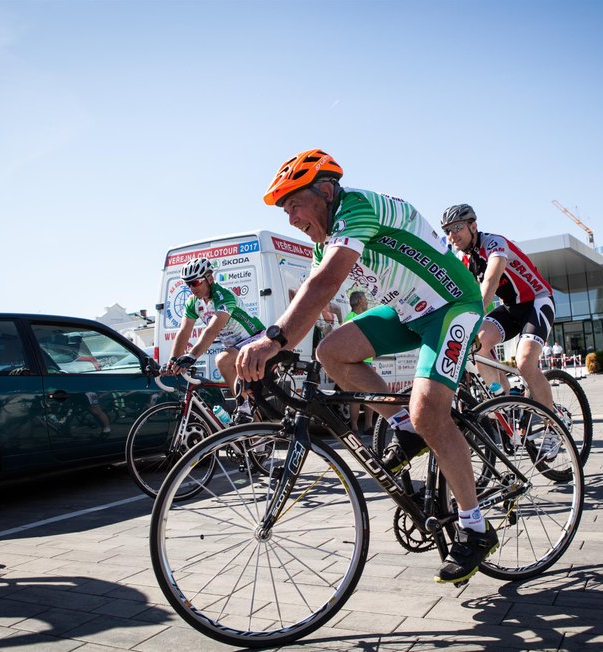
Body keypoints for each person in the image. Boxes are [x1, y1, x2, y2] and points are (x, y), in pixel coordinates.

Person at [237, 148, 497, 585]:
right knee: (332, 352)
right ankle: (406, 428)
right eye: (284, 210)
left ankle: (475, 527)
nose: (291, 218)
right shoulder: (328, 238)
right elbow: (310, 294)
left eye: (294, 204)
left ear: (324, 191)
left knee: (429, 410)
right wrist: (271, 345)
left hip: (453, 304)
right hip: (410, 312)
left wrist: (275, 338)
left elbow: (326, 284)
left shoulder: (357, 207)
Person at [441, 204, 559, 458]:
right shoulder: (465, 259)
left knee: (525, 362)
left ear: (473, 226)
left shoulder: (495, 244)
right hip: (510, 308)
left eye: (457, 228)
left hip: (537, 300)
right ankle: (505, 401)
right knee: (479, 344)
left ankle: (553, 429)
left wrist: (472, 320)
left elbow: (491, 282)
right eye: (447, 231)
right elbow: (460, 297)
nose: (452, 236)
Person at [167, 257, 266, 422]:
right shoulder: (193, 303)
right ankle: (256, 435)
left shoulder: (224, 296)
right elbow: (184, 332)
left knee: (222, 360)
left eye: (196, 282)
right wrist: (173, 360)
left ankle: (244, 408)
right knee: (240, 388)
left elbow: (212, 330)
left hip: (254, 338)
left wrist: (191, 356)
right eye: (188, 284)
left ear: (209, 278)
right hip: (235, 346)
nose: (192, 288)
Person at [343, 290, 376, 437]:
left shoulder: (358, 317)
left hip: (365, 360)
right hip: (358, 361)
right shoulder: (352, 318)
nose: (366, 302)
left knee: (366, 396)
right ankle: (356, 427)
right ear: (358, 302)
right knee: (358, 396)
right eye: (364, 299)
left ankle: (367, 426)